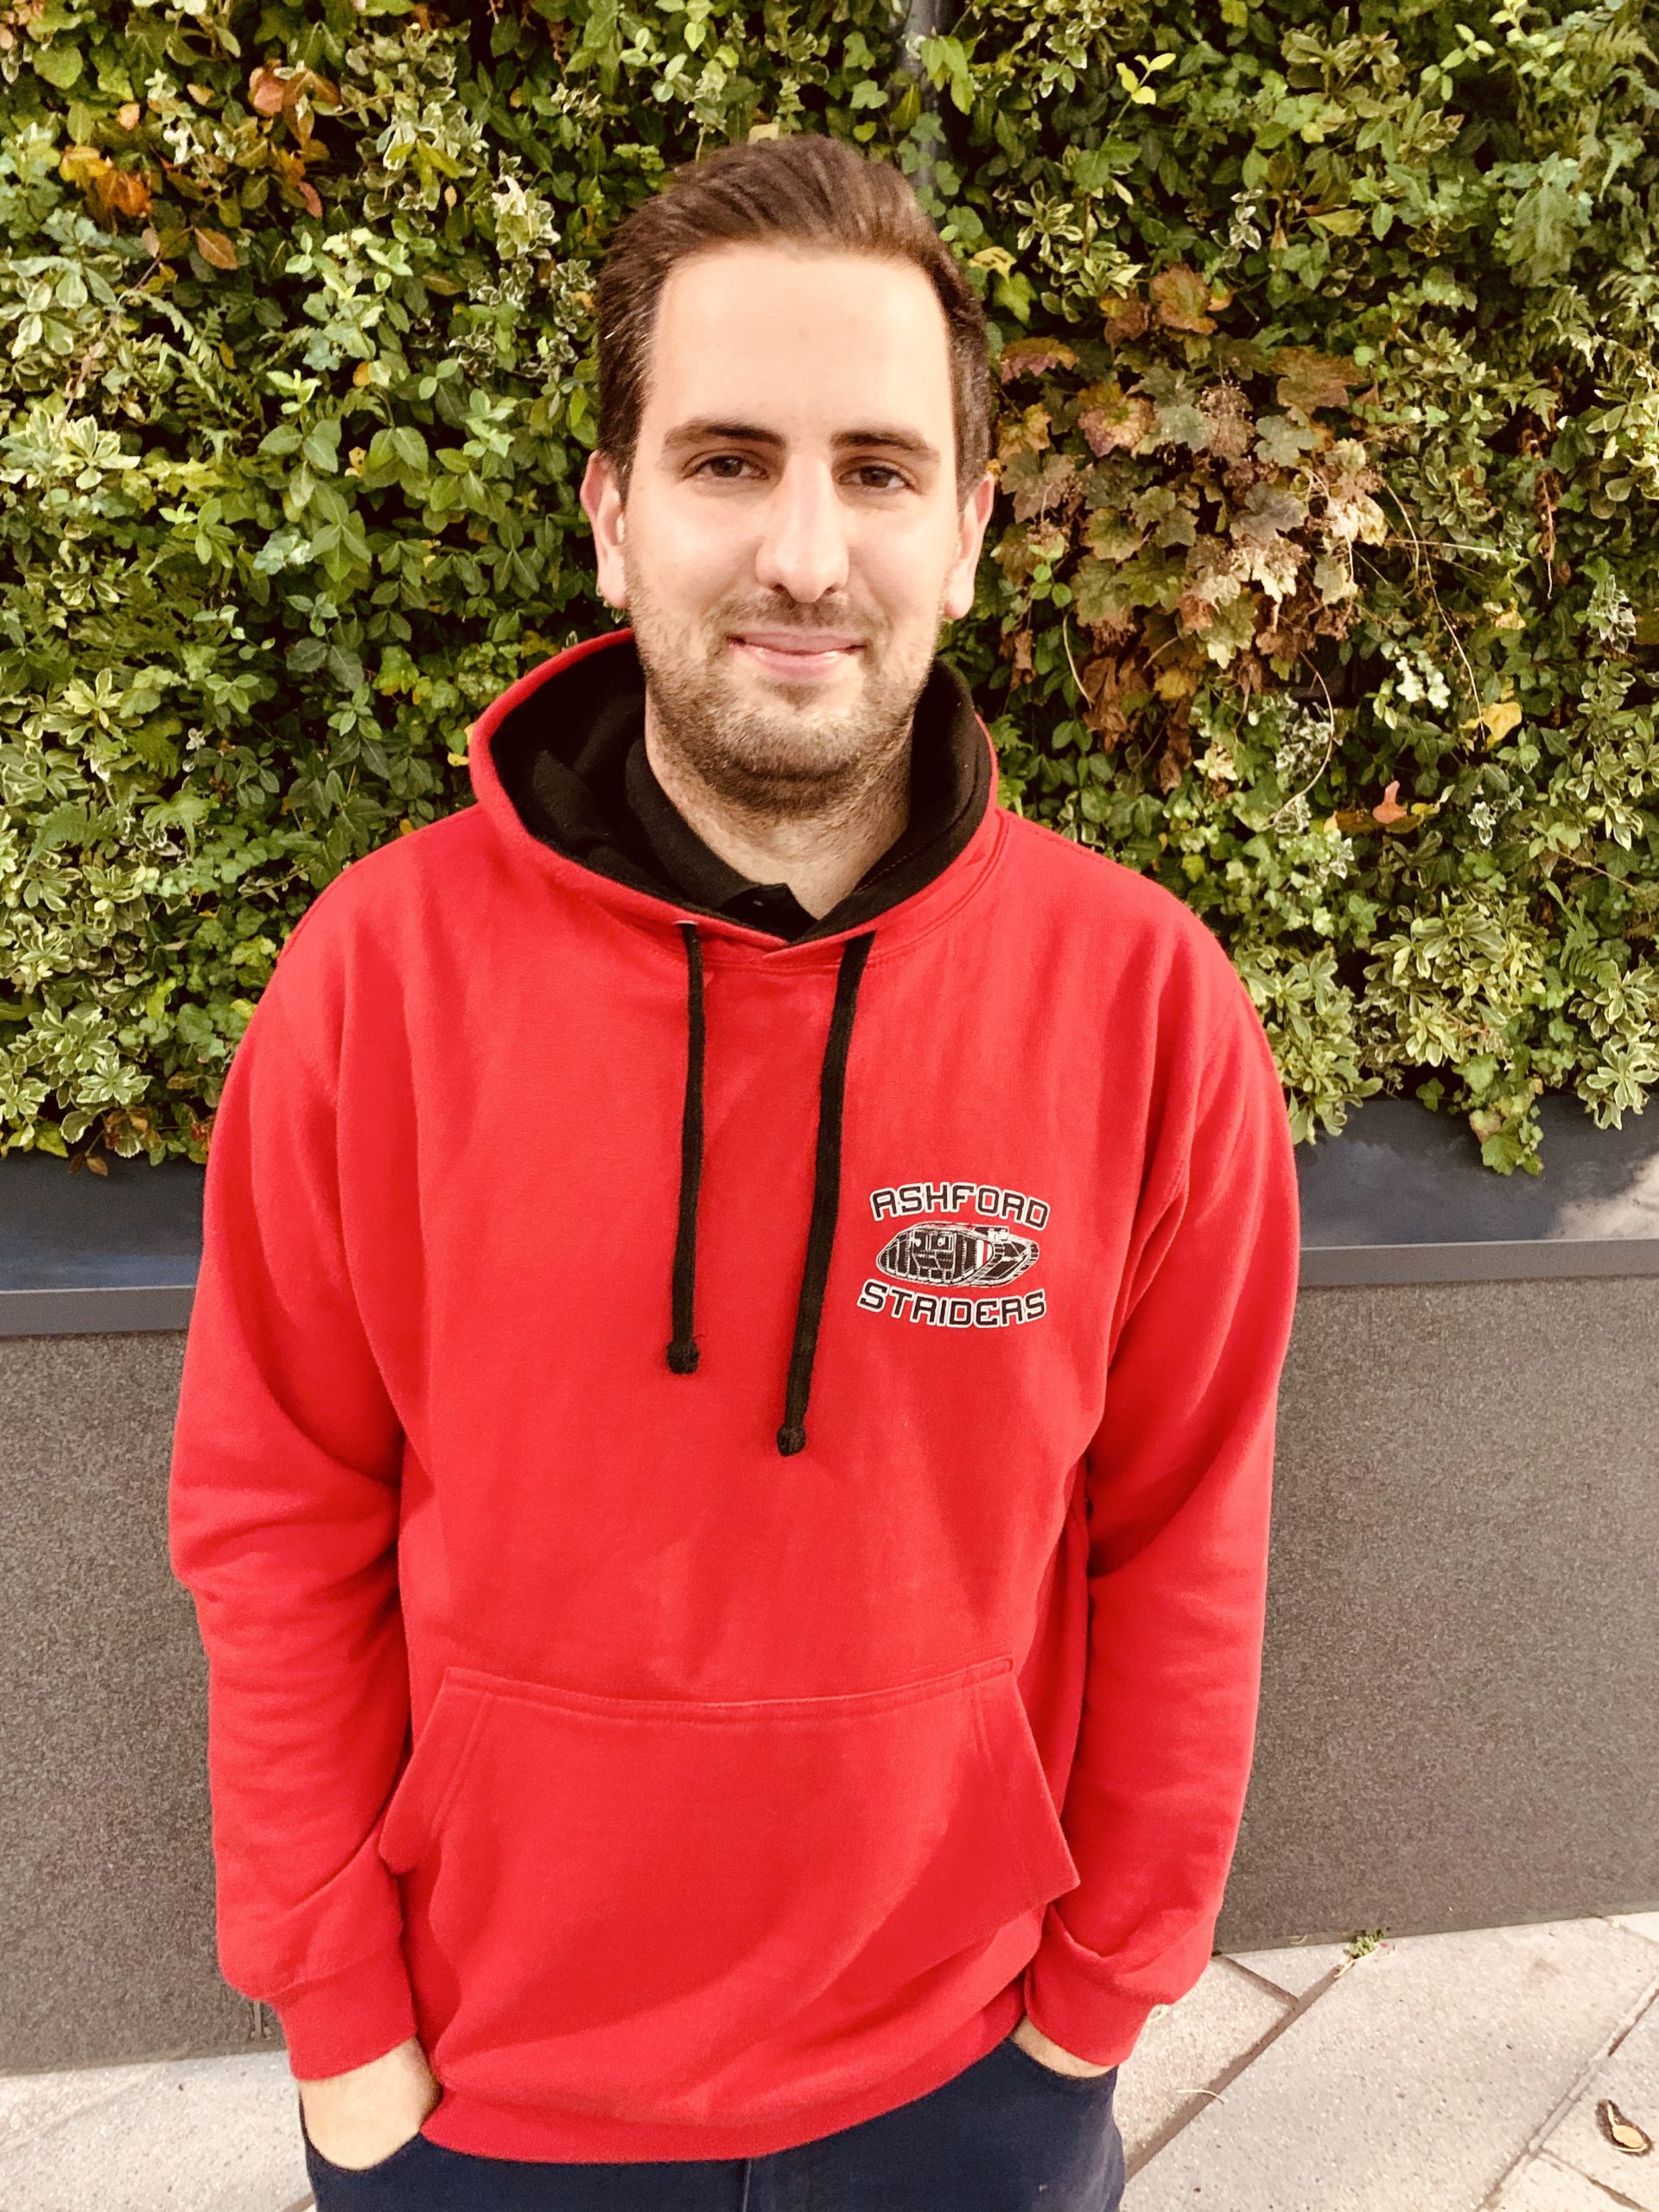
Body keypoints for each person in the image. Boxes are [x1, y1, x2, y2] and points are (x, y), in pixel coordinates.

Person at [168, 131, 1301, 2211]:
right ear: (613, 519)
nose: (802, 549)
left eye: (876, 469)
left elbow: (1181, 1539)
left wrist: (1100, 2000)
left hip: (969, 2077)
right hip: (477, 2103)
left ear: (968, 533)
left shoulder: (1144, 1004)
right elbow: (278, 1514)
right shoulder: (378, 980)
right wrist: (340, 2028)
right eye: (725, 460)